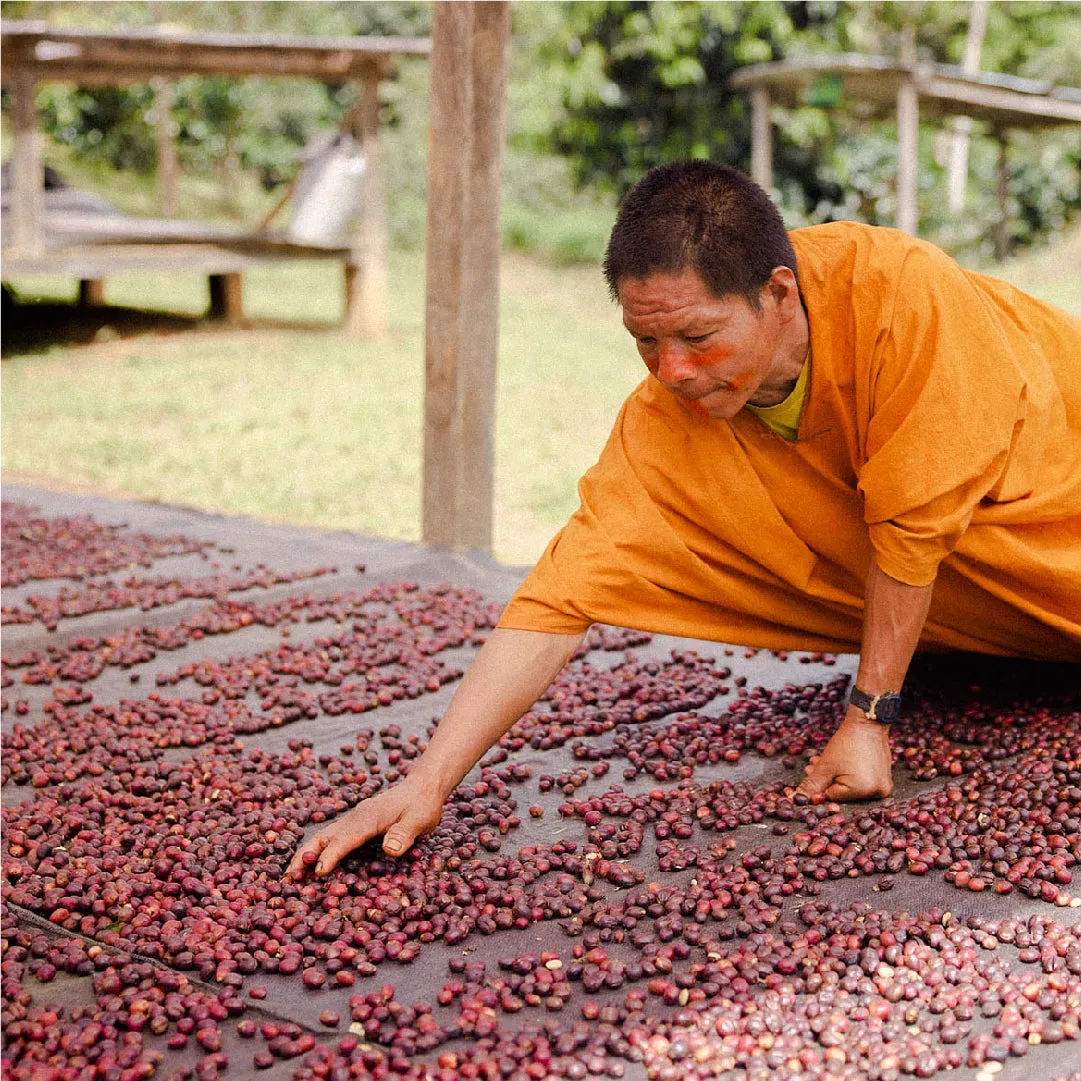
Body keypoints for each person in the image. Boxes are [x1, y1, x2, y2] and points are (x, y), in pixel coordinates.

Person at [288, 160, 1081, 879]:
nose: (673, 371)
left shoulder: (901, 300)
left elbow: (913, 527)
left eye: (697, 337)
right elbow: (562, 593)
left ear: (778, 292)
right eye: (645, 342)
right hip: (990, 622)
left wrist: (868, 717)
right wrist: (425, 782)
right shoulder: (671, 413)